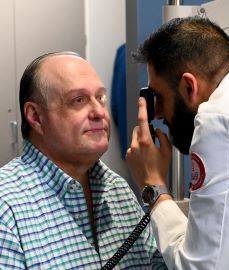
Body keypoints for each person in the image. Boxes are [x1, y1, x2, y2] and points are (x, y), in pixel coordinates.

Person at [126, 16, 229, 270]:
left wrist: (153, 187)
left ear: (188, 86)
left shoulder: (221, 121)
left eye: (157, 96)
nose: (157, 113)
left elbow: (203, 268)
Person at [0, 52, 167, 269]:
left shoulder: (117, 189)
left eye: (101, 98)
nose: (99, 112)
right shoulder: (6, 208)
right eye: (78, 100)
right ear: (35, 117)